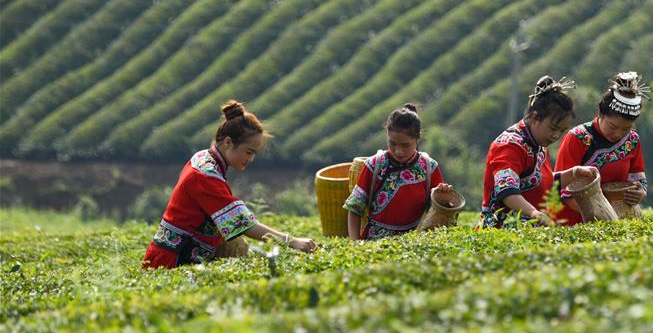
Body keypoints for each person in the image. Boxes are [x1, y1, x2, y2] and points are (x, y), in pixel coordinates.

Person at [143, 101, 317, 269]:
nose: (250, 159)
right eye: (248, 152)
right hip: (171, 262)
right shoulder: (205, 176)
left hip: (178, 256)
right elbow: (241, 223)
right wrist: (292, 242)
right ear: (228, 142)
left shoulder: (203, 158)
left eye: (254, 154)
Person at [481, 75, 598, 228]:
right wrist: (533, 212)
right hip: (500, 231)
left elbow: (541, 184)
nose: (556, 136)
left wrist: (574, 173)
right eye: (553, 129)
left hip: (530, 229)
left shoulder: (539, 144)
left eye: (561, 131)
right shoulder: (509, 145)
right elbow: (506, 190)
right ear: (535, 118)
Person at [344, 103, 454, 240]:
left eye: (405, 145)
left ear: (417, 139)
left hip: (413, 240)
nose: (398, 151)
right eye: (392, 143)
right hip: (373, 242)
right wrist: (355, 245)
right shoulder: (374, 165)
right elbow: (355, 208)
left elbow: (438, 211)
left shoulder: (429, 168)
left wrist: (443, 196)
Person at [553, 71, 649, 225]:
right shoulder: (578, 138)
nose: (618, 134)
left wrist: (640, 193)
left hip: (618, 219)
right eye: (612, 126)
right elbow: (561, 189)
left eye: (626, 129)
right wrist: (602, 215)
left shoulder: (632, 141)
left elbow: (638, 180)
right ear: (600, 113)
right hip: (574, 221)